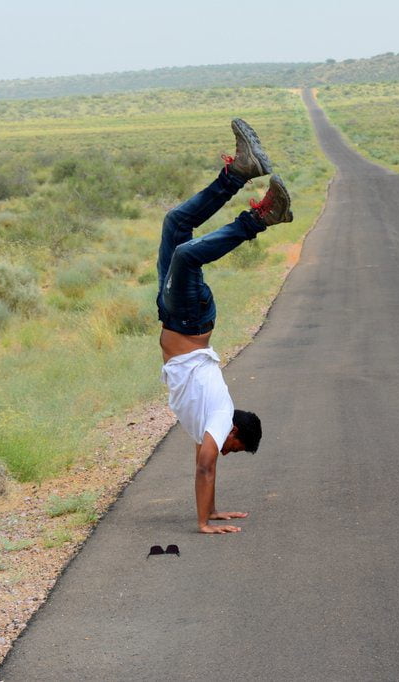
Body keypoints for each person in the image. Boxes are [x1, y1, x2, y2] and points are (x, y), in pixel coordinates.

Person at [156, 118, 292, 534]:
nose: (226, 453)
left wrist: (212, 511)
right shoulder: (218, 419)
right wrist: (203, 524)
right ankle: (261, 218)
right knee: (185, 256)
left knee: (175, 226)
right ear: (234, 431)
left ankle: (239, 172)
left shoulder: (208, 423)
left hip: (176, 314)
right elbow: (205, 466)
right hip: (189, 318)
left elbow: (207, 464)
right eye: (236, 448)